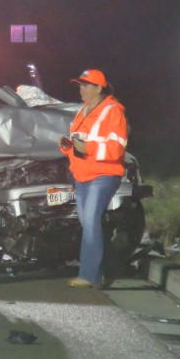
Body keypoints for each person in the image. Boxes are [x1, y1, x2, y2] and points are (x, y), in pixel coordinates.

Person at [58, 68, 127, 289]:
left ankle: (89, 275)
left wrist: (87, 147)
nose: (81, 89)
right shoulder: (83, 110)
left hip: (104, 175)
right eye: (80, 85)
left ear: (98, 88)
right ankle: (107, 269)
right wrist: (67, 147)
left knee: (90, 222)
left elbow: (117, 148)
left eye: (86, 85)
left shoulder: (112, 111)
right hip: (83, 175)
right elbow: (77, 143)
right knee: (89, 224)